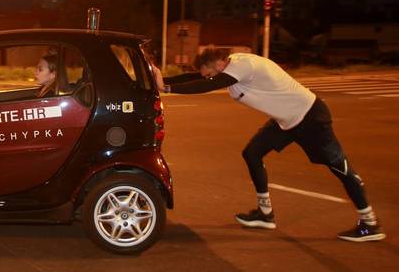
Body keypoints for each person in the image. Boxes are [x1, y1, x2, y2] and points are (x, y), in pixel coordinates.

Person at [154, 46, 386, 242]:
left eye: (209, 72)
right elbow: (200, 79)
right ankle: (265, 214)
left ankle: (369, 223)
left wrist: (169, 88)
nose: (207, 77)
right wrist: (161, 82)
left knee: (339, 167)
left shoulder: (242, 65)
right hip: (286, 121)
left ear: (220, 62)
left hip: (310, 117)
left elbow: (207, 85)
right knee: (252, 153)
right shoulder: (227, 71)